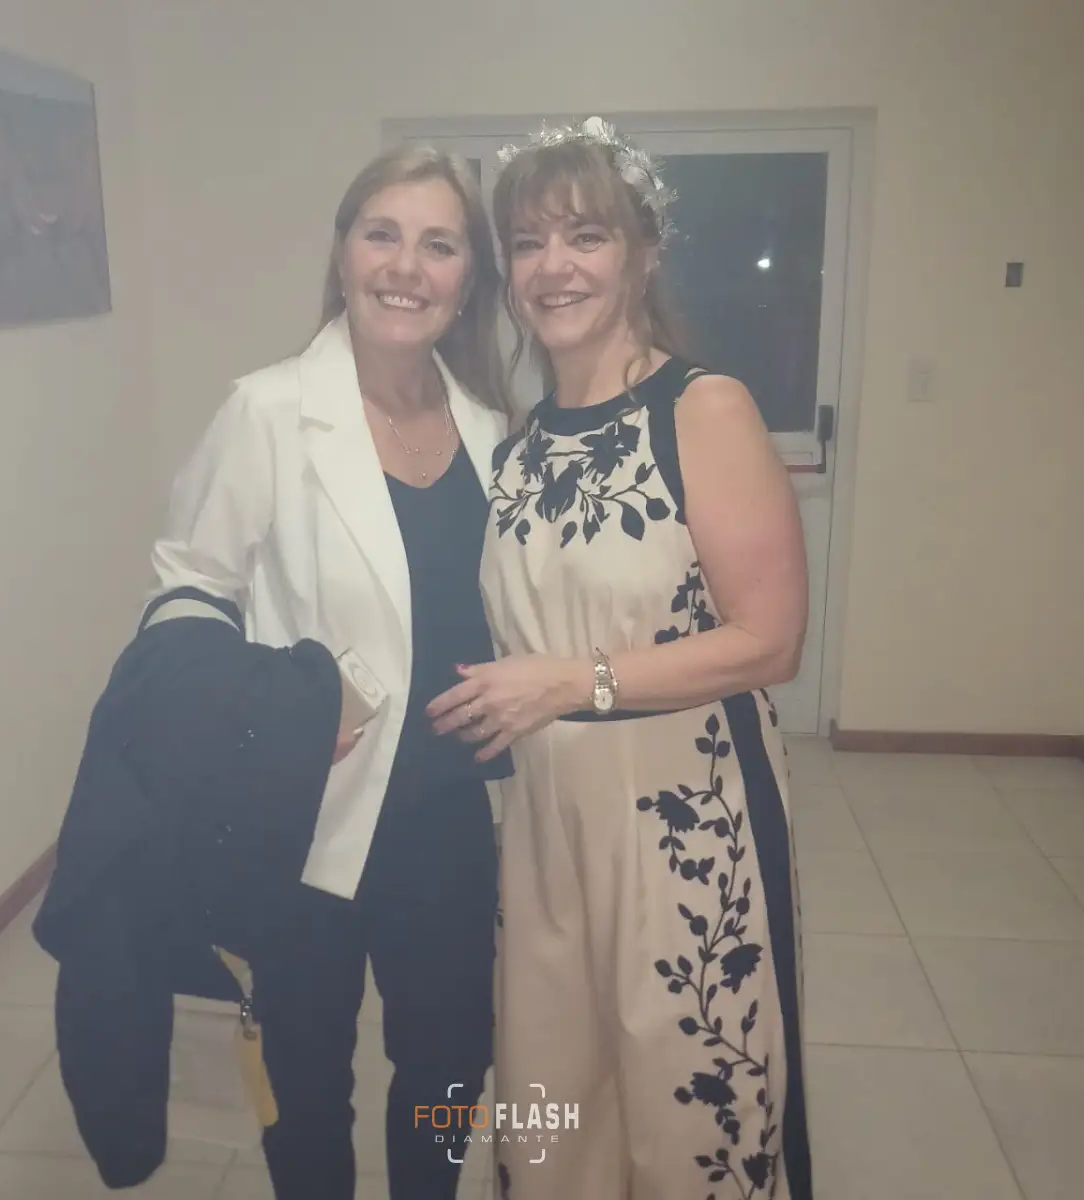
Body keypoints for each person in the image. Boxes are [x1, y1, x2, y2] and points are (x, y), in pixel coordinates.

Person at [427, 118, 813, 1199]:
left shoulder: (703, 409)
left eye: (584, 237)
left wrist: (573, 682)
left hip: (689, 821)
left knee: (685, 1103)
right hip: (547, 828)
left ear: (642, 254)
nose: (552, 267)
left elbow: (771, 640)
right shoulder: (516, 448)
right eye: (527, 243)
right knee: (558, 1098)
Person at [148, 145, 512, 1200]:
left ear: (468, 279)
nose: (406, 266)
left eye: (439, 245)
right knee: (306, 1076)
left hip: (449, 812)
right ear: (344, 253)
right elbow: (187, 587)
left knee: (450, 1062)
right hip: (305, 812)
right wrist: (260, 708)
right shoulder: (268, 411)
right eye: (381, 234)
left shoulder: (490, 428)